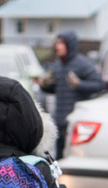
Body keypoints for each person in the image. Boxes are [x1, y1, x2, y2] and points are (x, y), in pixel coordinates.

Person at [37, 31, 104, 159]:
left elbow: (99, 85)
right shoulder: (58, 65)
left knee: (74, 157)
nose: (57, 47)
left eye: (61, 43)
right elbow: (58, 89)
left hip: (76, 121)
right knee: (60, 157)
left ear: (70, 45)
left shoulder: (83, 64)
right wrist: (45, 85)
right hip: (60, 119)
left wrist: (79, 84)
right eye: (56, 43)